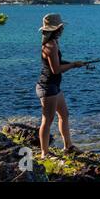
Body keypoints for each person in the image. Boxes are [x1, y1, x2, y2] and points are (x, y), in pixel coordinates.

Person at [36, 14, 85, 158]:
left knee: (64, 115)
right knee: (47, 120)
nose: (63, 29)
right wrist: (73, 65)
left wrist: (75, 63)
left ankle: (68, 146)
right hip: (47, 87)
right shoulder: (50, 45)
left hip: (54, 87)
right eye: (61, 27)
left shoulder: (53, 43)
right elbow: (56, 69)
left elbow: (58, 61)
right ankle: (44, 153)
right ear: (56, 29)